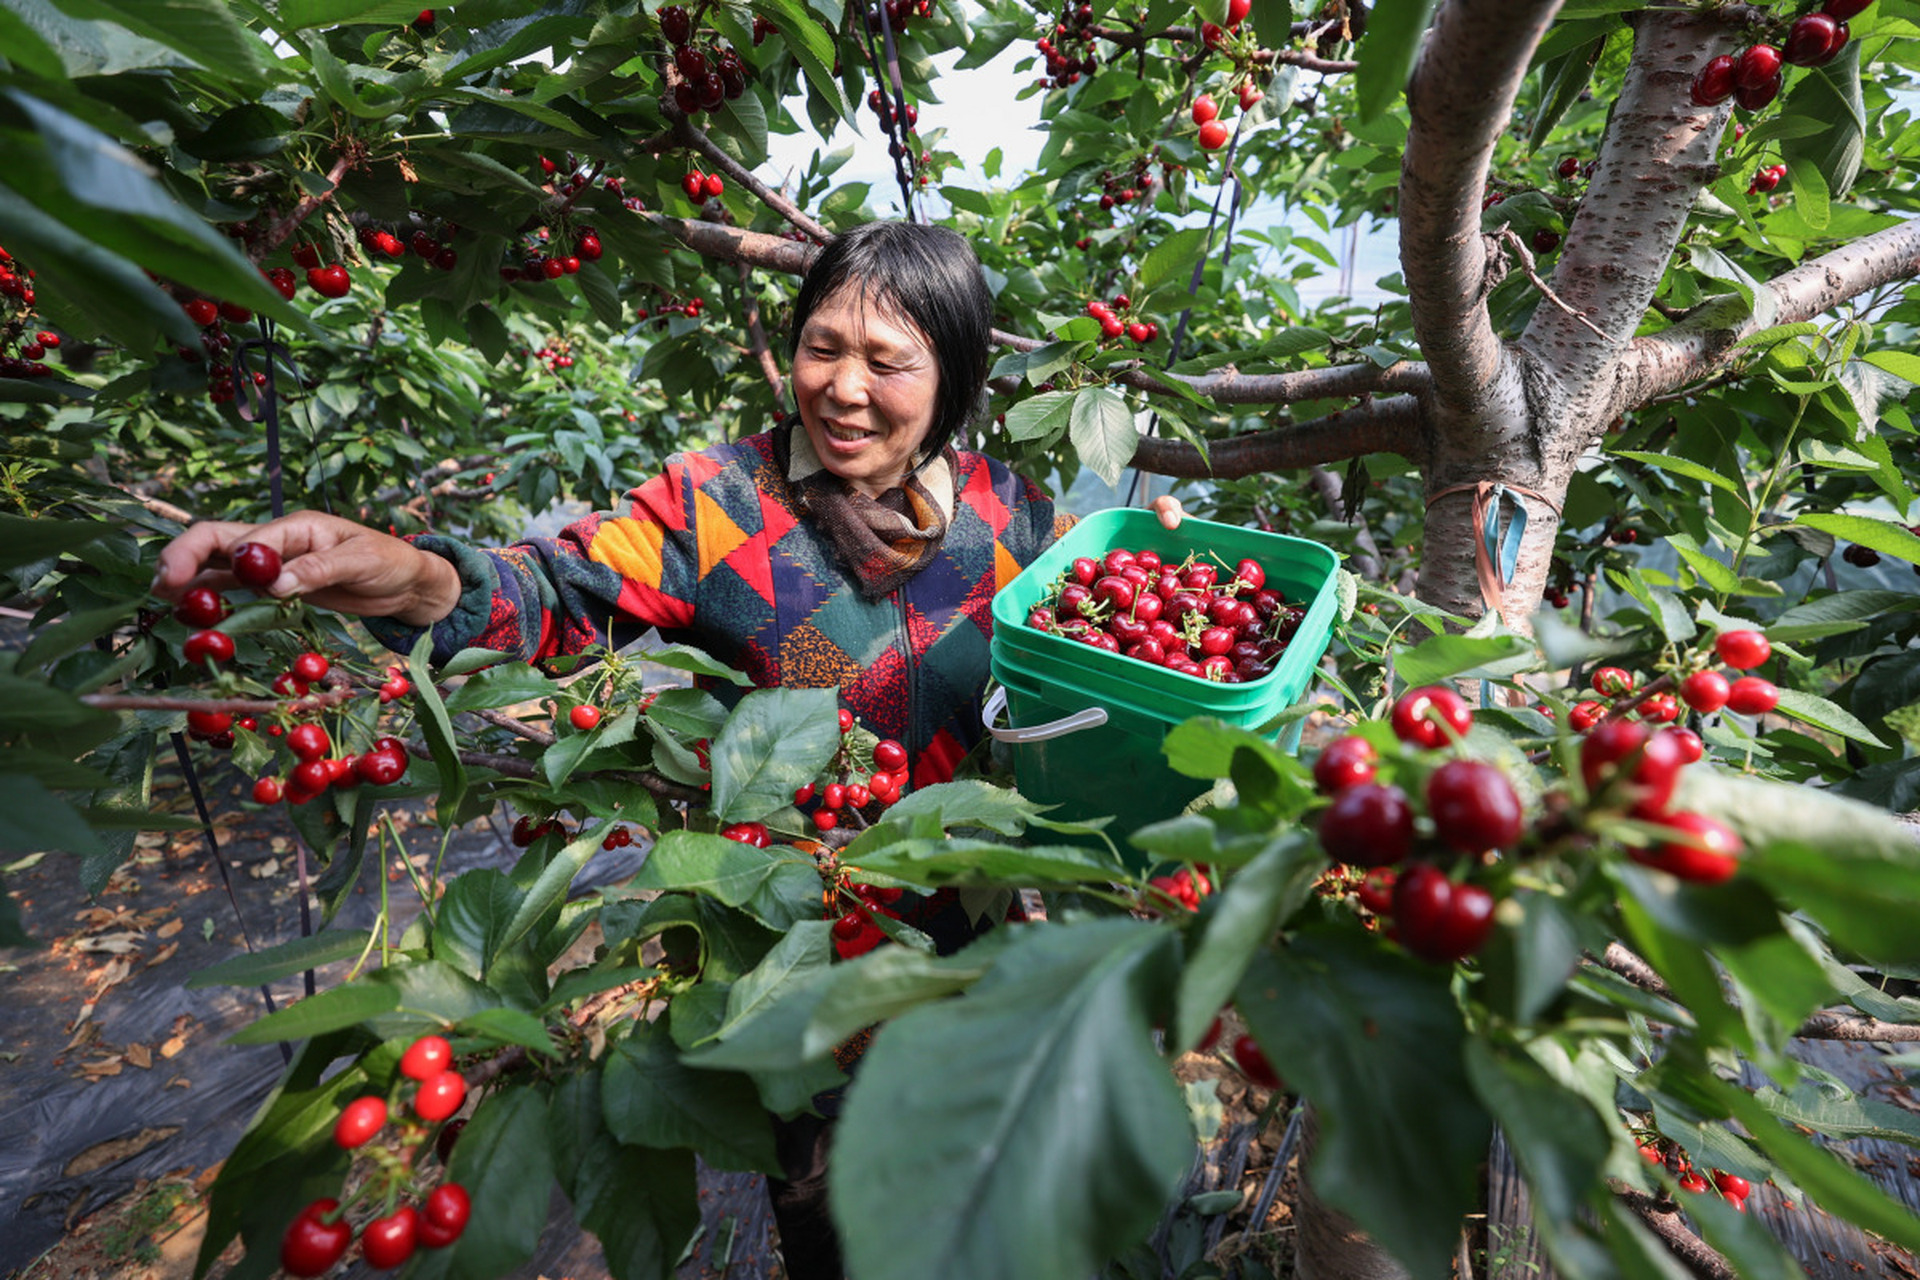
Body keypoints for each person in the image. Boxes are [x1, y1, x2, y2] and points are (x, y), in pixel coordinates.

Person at [153, 218, 1183, 1277]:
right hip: (789, 967)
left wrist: (1168, 605)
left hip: (969, 948)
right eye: (822, 345)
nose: (841, 386)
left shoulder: (1012, 518)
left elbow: (1094, 646)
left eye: (888, 361)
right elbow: (557, 591)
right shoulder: (718, 503)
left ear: (955, 378)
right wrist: (419, 579)